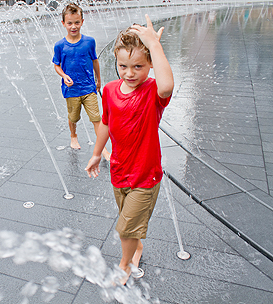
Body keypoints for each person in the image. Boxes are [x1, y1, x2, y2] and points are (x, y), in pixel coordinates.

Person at [85, 14, 174, 285]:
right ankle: (136, 247)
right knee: (129, 222)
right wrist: (97, 153)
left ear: (149, 64)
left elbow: (167, 84)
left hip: (146, 176)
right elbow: (106, 124)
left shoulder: (151, 92)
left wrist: (155, 46)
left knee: (125, 226)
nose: (130, 73)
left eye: (138, 66)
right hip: (119, 171)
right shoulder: (110, 90)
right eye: (123, 66)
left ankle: (124, 266)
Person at [52, 3, 110, 160]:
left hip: (89, 87)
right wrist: (64, 76)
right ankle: (73, 135)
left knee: (96, 118)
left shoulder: (89, 42)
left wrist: (98, 80)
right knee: (73, 117)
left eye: (77, 22)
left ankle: (102, 148)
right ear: (63, 23)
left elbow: (95, 61)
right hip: (71, 90)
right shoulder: (59, 46)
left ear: (82, 22)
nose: (73, 26)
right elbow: (56, 65)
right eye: (69, 23)